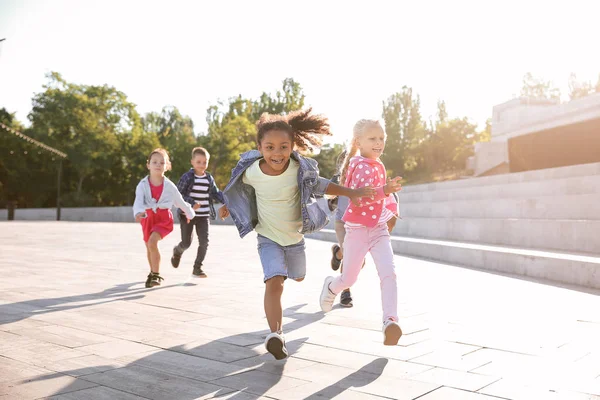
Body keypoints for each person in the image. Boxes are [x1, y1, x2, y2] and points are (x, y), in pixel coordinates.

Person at [218, 109, 375, 360]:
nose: (276, 153)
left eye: (283, 147)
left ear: (292, 147)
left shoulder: (298, 169)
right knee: (274, 281)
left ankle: (323, 279)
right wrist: (228, 205)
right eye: (269, 147)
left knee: (298, 276)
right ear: (259, 147)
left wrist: (351, 192)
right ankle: (276, 335)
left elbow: (322, 184)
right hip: (267, 237)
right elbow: (236, 188)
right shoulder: (252, 171)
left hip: (294, 238)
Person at [319, 119, 403, 346]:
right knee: (349, 277)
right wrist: (386, 190)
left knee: (389, 274)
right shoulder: (359, 166)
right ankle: (331, 286)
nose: (378, 143)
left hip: (378, 230)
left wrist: (391, 203)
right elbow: (362, 196)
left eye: (382, 138)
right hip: (356, 231)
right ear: (359, 141)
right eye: (373, 138)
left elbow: (381, 198)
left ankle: (390, 321)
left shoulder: (378, 164)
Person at [133, 148, 195, 288]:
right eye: (154, 162)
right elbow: (138, 201)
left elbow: (180, 201)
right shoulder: (142, 185)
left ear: (167, 166)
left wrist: (189, 213)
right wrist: (138, 212)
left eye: (162, 162)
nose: (158, 164)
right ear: (148, 165)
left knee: (153, 242)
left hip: (162, 218)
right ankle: (152, 271)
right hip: (147, 218)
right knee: (149, 246)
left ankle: (156, 274)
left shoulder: (169, 186)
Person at [171, 147, 224, 277]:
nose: (202, 165)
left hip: (203, 216)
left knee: (204, 242)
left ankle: (197, 268)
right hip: (187, 215)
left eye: (205, 162)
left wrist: (227, 201)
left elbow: (215, 193)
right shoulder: (188, 177)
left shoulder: (208, 178)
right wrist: (191, 203)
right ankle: (177, 251)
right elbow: (178, 195)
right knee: (186, 243)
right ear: (192, 162)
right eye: (199, 162)